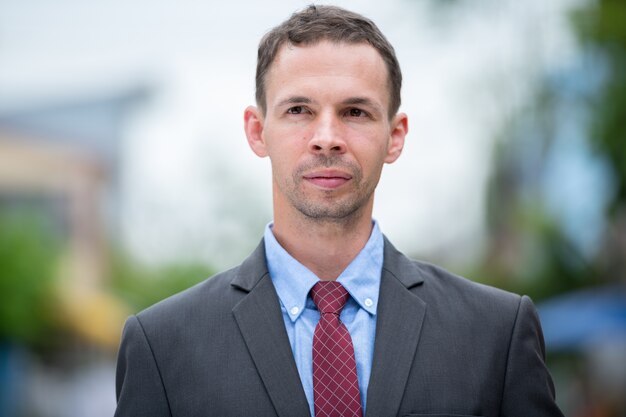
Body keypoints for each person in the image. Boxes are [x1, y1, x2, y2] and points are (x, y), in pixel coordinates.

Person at [114, 5, 564, 417]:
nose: (326, 137)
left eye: (355, 112)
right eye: (298, 109)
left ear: (395, 135)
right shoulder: (163, 346)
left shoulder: (495, 334)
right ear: (257, 131)